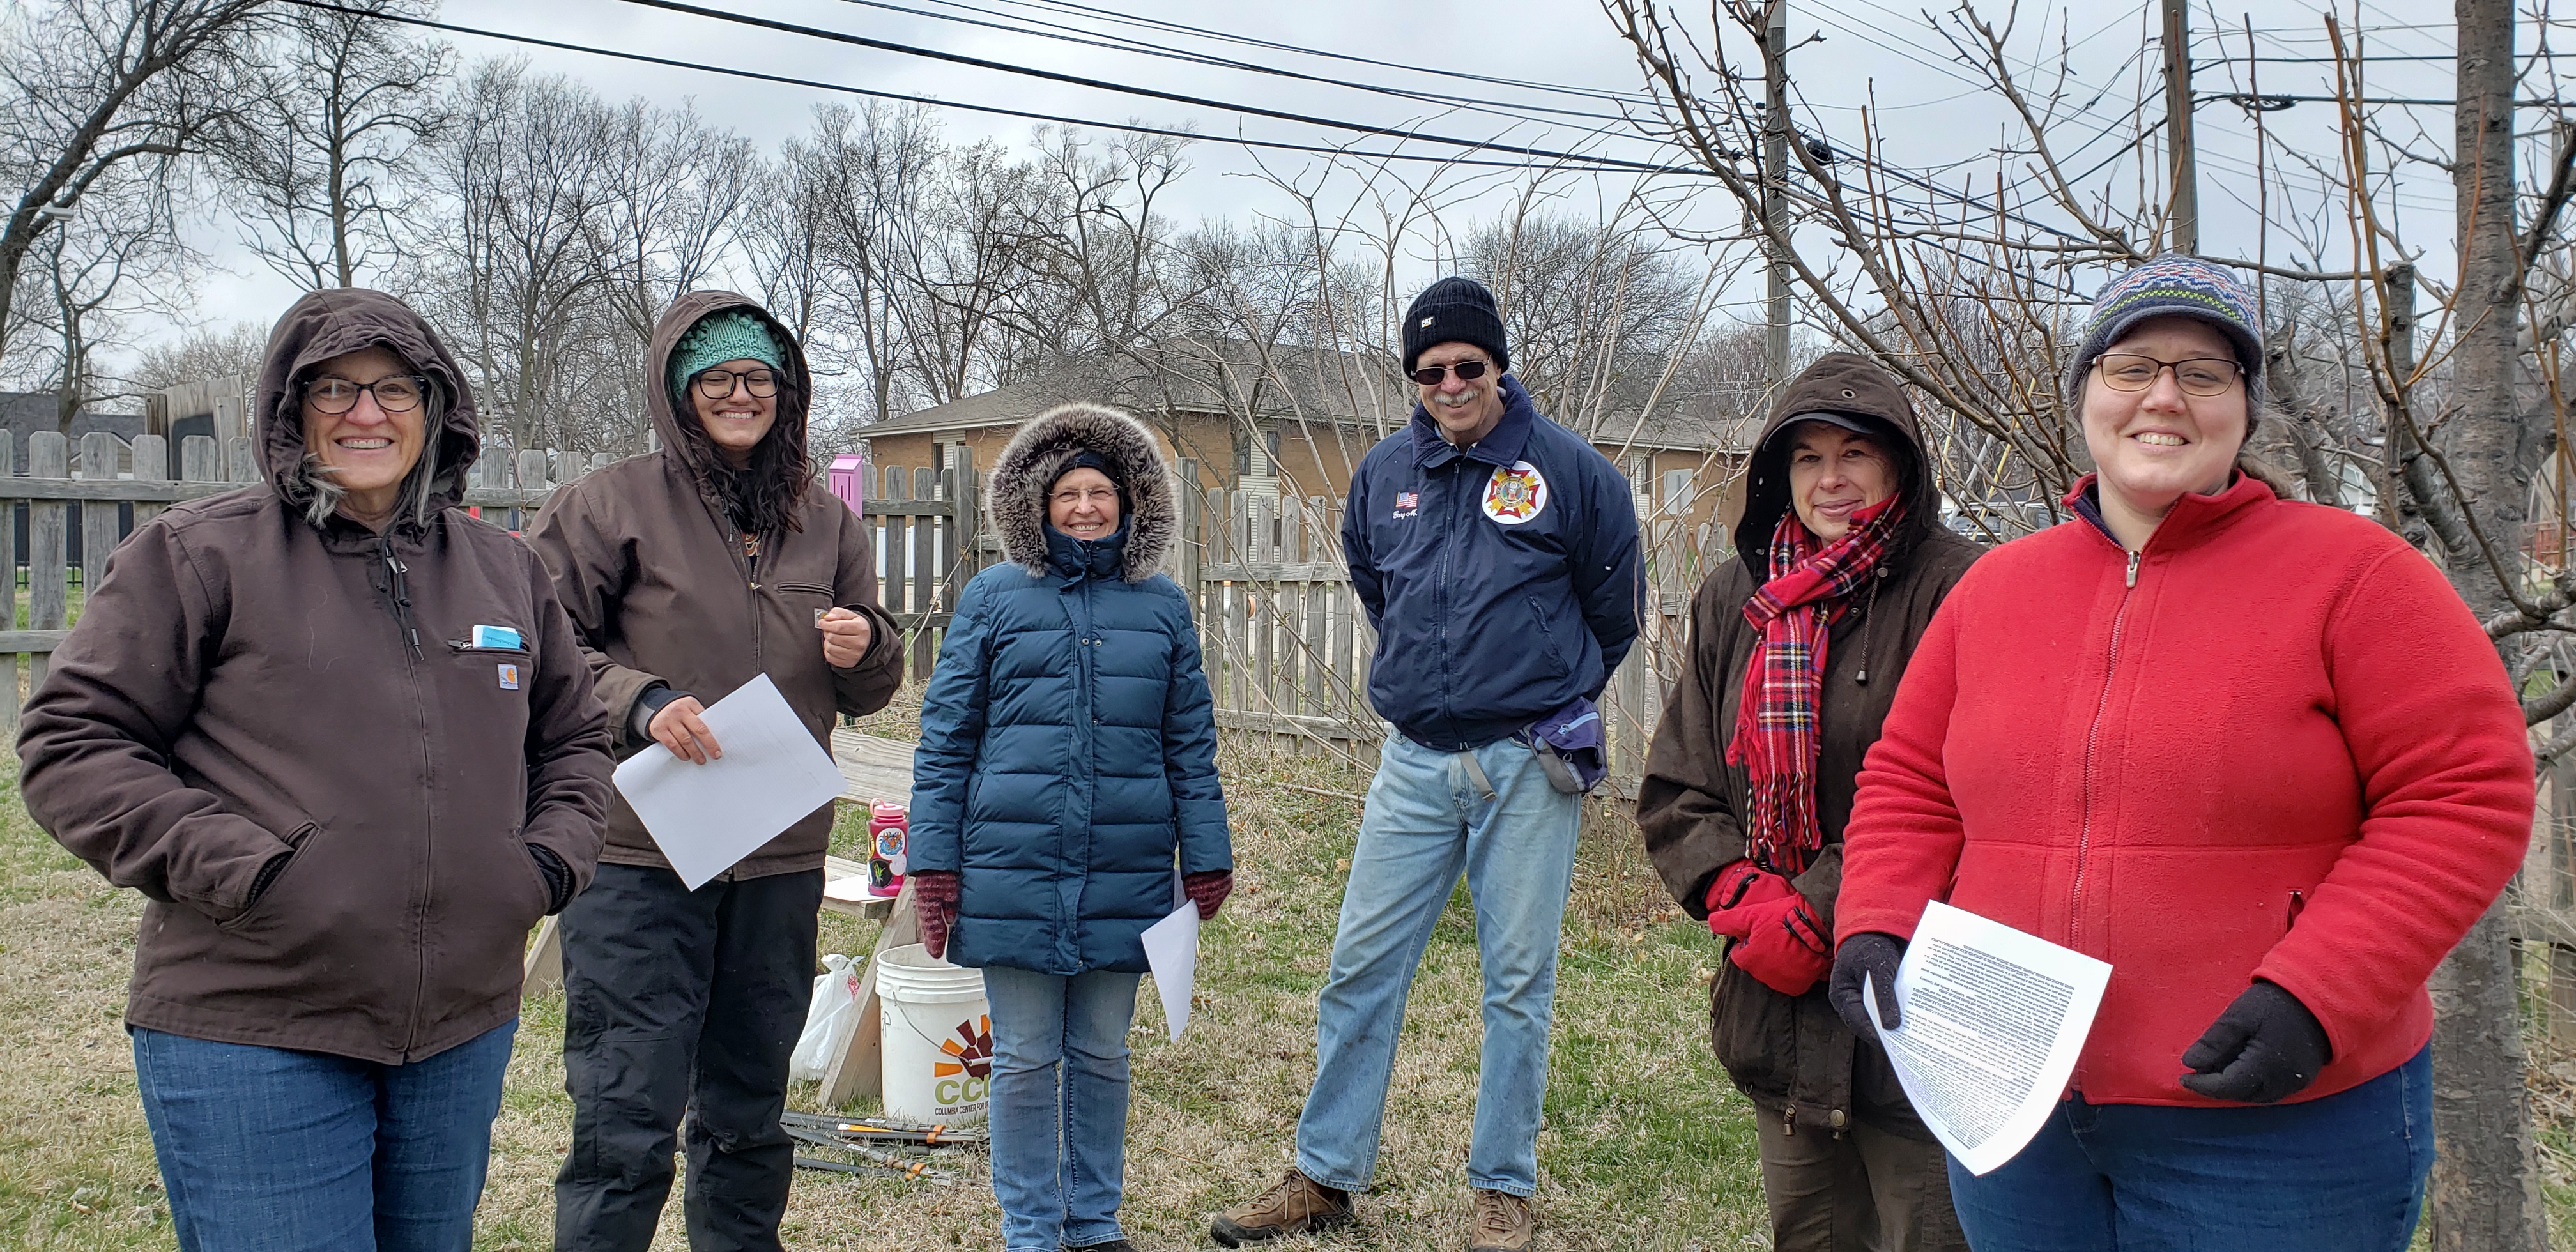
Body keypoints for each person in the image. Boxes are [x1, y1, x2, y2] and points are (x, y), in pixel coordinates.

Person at [1826, 254, 2535, 1252]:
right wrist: (1879, 918)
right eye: (2132, 367)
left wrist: (2317, 994)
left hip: (2274, 1117)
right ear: (2086, 398)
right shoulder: (1995, 591)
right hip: (2021, 1104)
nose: (2165, 395)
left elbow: (2465, 796)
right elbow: (1912, 779)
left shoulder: (2360, 577)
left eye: (2204, 373)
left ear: (2246, 409)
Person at [15, 287, 615, 1252]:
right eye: (334, 388)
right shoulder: (200, 557)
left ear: (438, 408)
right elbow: (73, 743)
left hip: (459, 1026)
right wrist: (250, 872)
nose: (367, 413)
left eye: (394, 389)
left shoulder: (506, 572)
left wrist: (543, 864)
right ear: (289, 410)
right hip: (255, 1023)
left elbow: (576, 740)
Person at [1212, 277, 1640, 1252]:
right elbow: (1378, 585)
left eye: (1468, 367)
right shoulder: (1383, 474)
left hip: (1528, 764)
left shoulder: (1571, 475)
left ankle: (1502, 1191)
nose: (1450, 385)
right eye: (1430, 370)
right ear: (1412, 377)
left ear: (1500, 366)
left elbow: (1612, 610)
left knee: (1516, 982)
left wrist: (1540, 680)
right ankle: (1324, 1175)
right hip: (1411, 763)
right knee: (1360, 965)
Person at [528, 291, 906, 1252]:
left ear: (787, 392)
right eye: (718, 378)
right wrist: (639, 702)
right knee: (627, 1112)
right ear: (678, 390)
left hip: (777, 857)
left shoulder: (826, 523)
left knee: (748, 1111)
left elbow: (870, 691)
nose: (741, 395)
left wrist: (866, 646)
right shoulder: (606, 505)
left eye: (759, 378)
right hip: (640, 856)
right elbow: (540, 647)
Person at [1636, 353, 1976, 1252]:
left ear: (1902, 464)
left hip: (1913, 1001)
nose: (1832, 480)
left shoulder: (1960, 589)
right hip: (1776, 1004)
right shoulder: (1737, 596)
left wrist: (1818, 907)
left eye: (1856, 453)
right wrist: (1739, 898)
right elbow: (1680, 780)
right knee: (1810, 1234)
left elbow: (1956, 789)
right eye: (1808, 458)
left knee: (1929, 1232)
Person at [906, 401, 1233, 1252]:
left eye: (1103, 493)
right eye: (1068, 494)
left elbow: (1189, 745)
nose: (1087, 507)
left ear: (1131, 504)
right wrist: (935, 864)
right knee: (1021, 1057)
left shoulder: (1160, 607)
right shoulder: (993, 597)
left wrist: (1206, 858)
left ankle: (1093, 1224)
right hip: (1010, 866)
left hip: (1125, 867)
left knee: (1100, 1054)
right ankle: (1030, 1229)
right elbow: (946, 739)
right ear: (1036, 505)